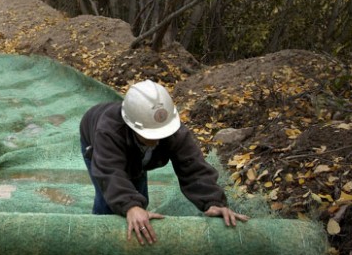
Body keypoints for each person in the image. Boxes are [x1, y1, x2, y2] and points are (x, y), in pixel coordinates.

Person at [79, 79, 247, 245]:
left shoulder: (173, 130)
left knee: (138, 196)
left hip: (134, 151)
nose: (157, 139)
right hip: (94, 141)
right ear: (132, 126)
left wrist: (212, 202)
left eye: (161, 133)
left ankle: (135, 229)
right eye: (151, 134)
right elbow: (109, 173)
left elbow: (193, 167)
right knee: (110, 201)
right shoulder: (109, 132)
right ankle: (103, 241)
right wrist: (130, 206)